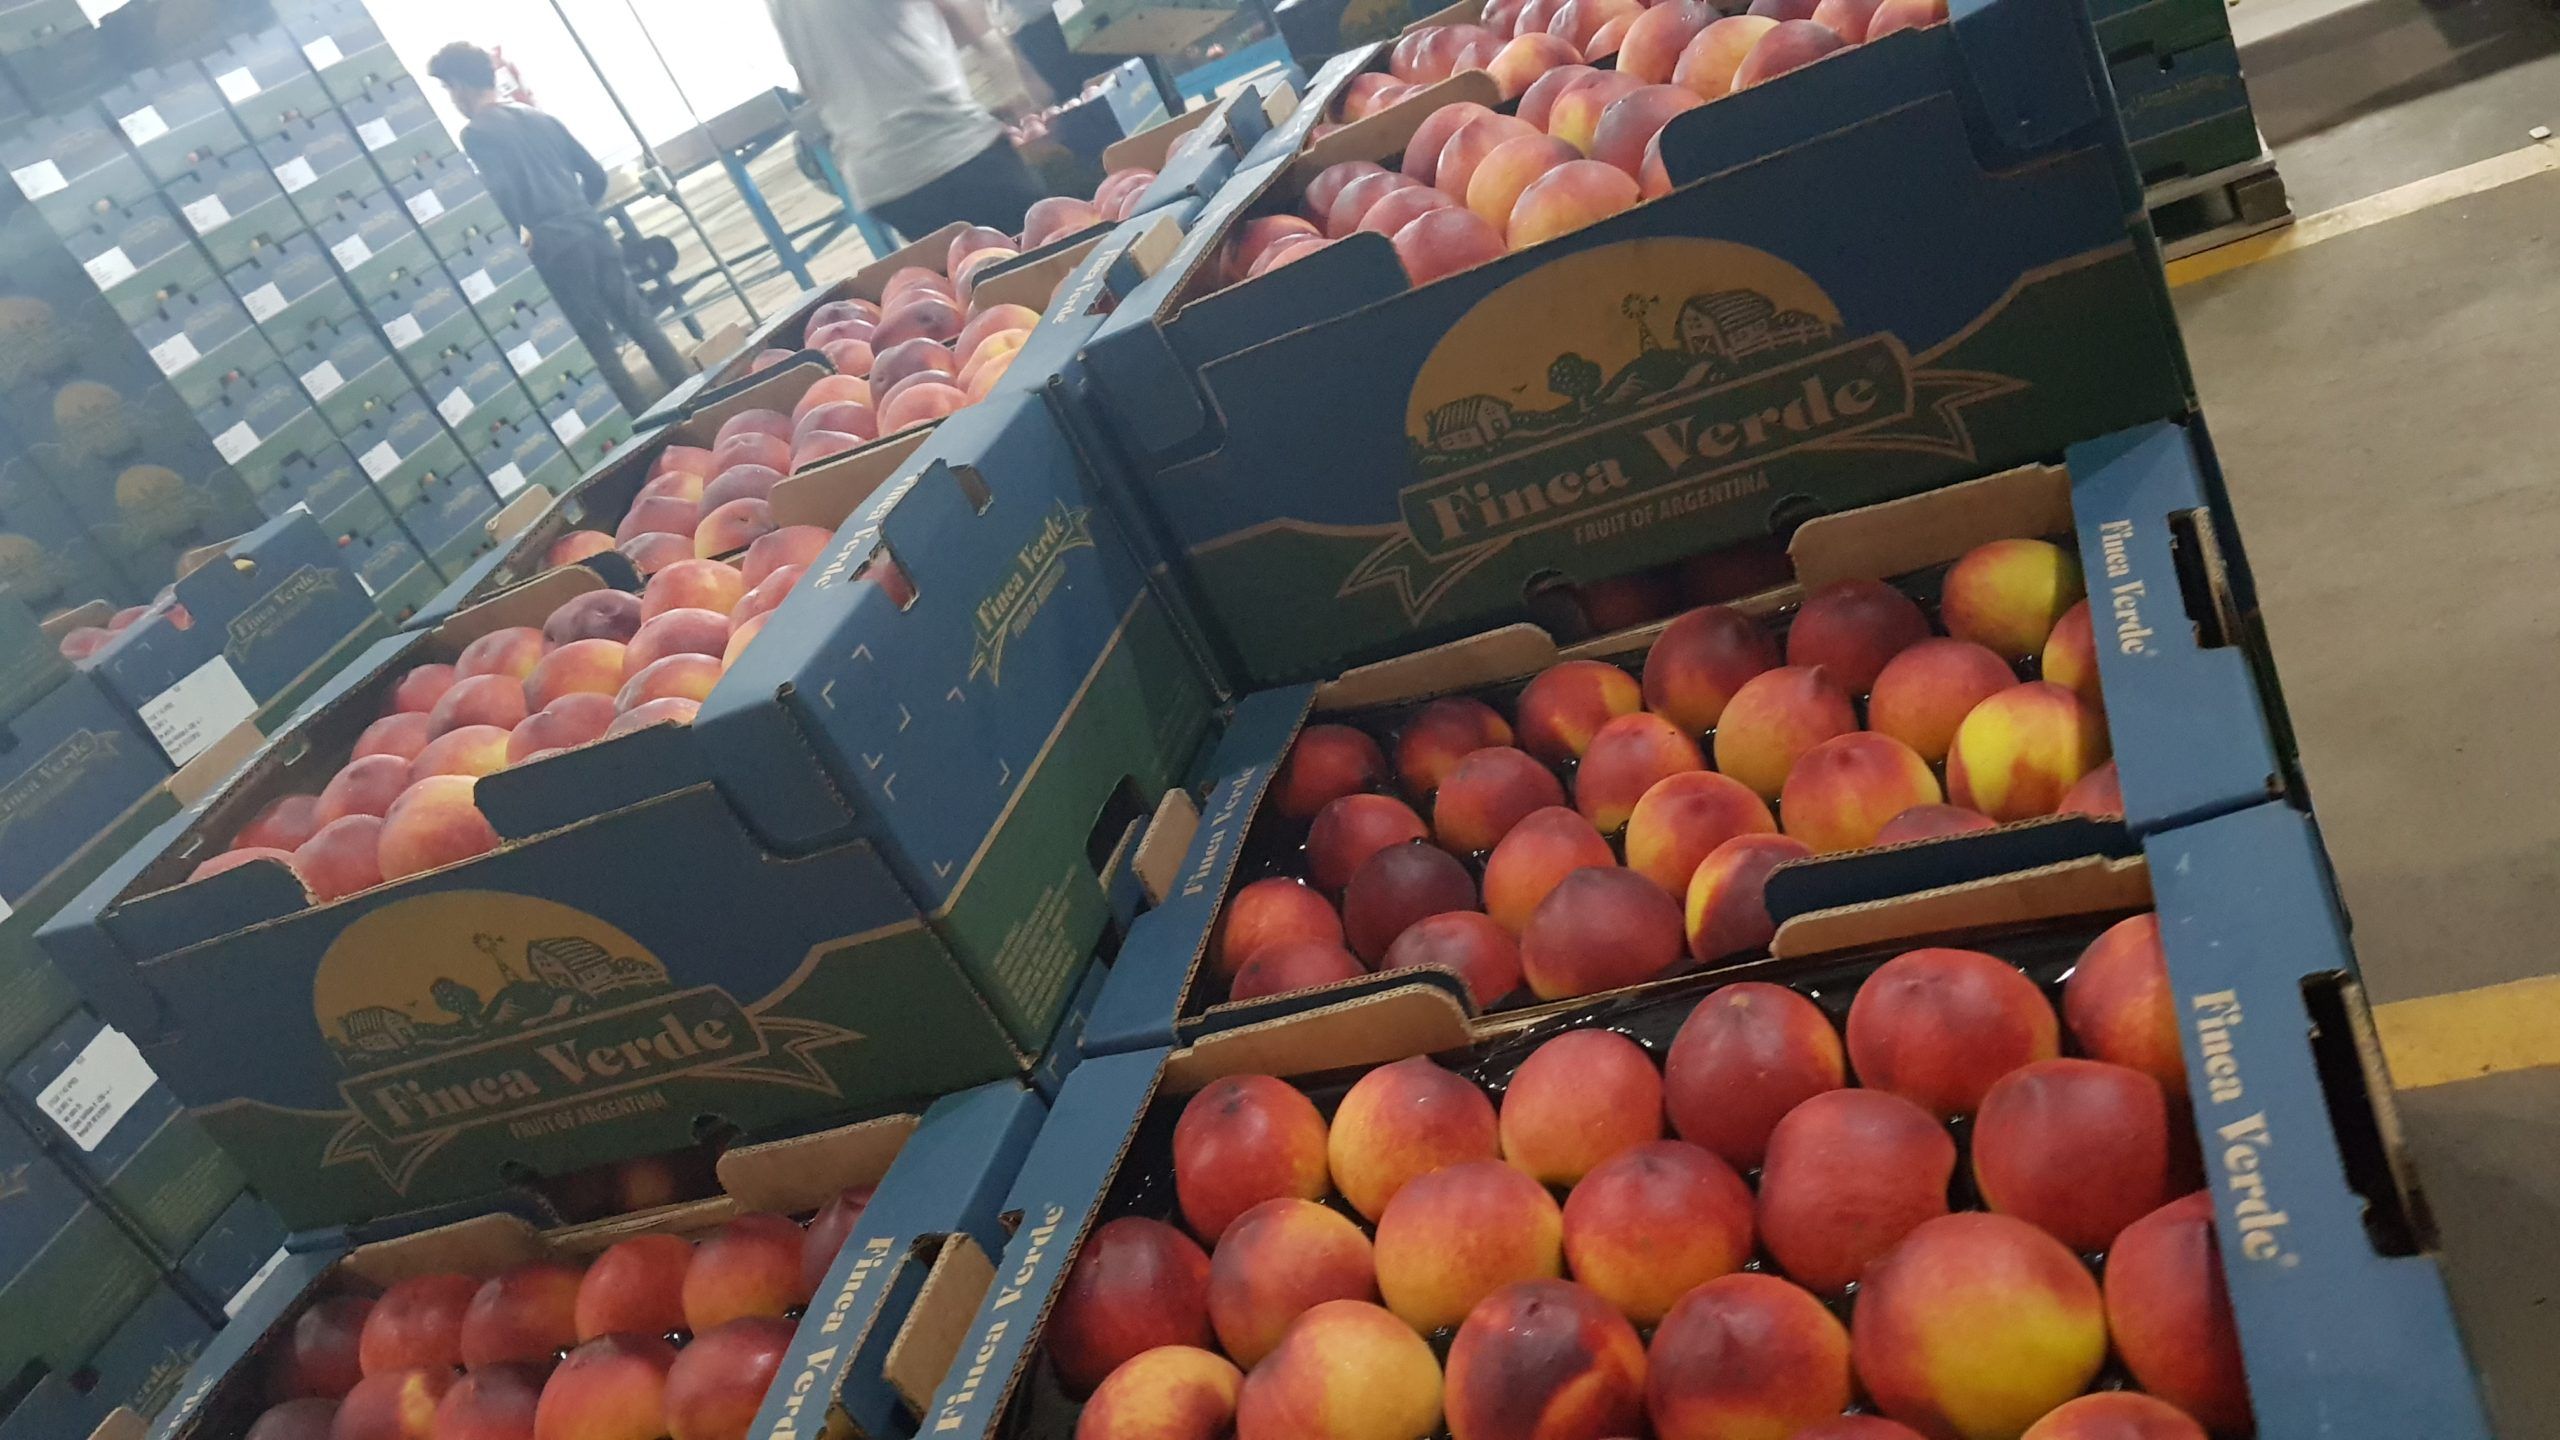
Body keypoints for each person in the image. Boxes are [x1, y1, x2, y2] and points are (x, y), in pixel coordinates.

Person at [426, 42, 691, 415]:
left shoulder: (477, 133)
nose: (452, 99)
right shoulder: (540, 118)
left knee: (598, 347)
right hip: (594, 234)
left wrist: (518, 242)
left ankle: (647, 425)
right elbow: (595, 176)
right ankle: (695, 400)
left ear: (460, 84)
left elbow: (505, 199)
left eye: (448, 89)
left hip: (557, 251)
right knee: (641, 323)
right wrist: (578, 212)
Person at [767, 0, 1050, 242]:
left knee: (974, 276)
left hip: (879, 181)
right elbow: (958, 13)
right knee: (1048, 257)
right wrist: (1018, 87)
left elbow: (809, 79)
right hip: (949, 146)